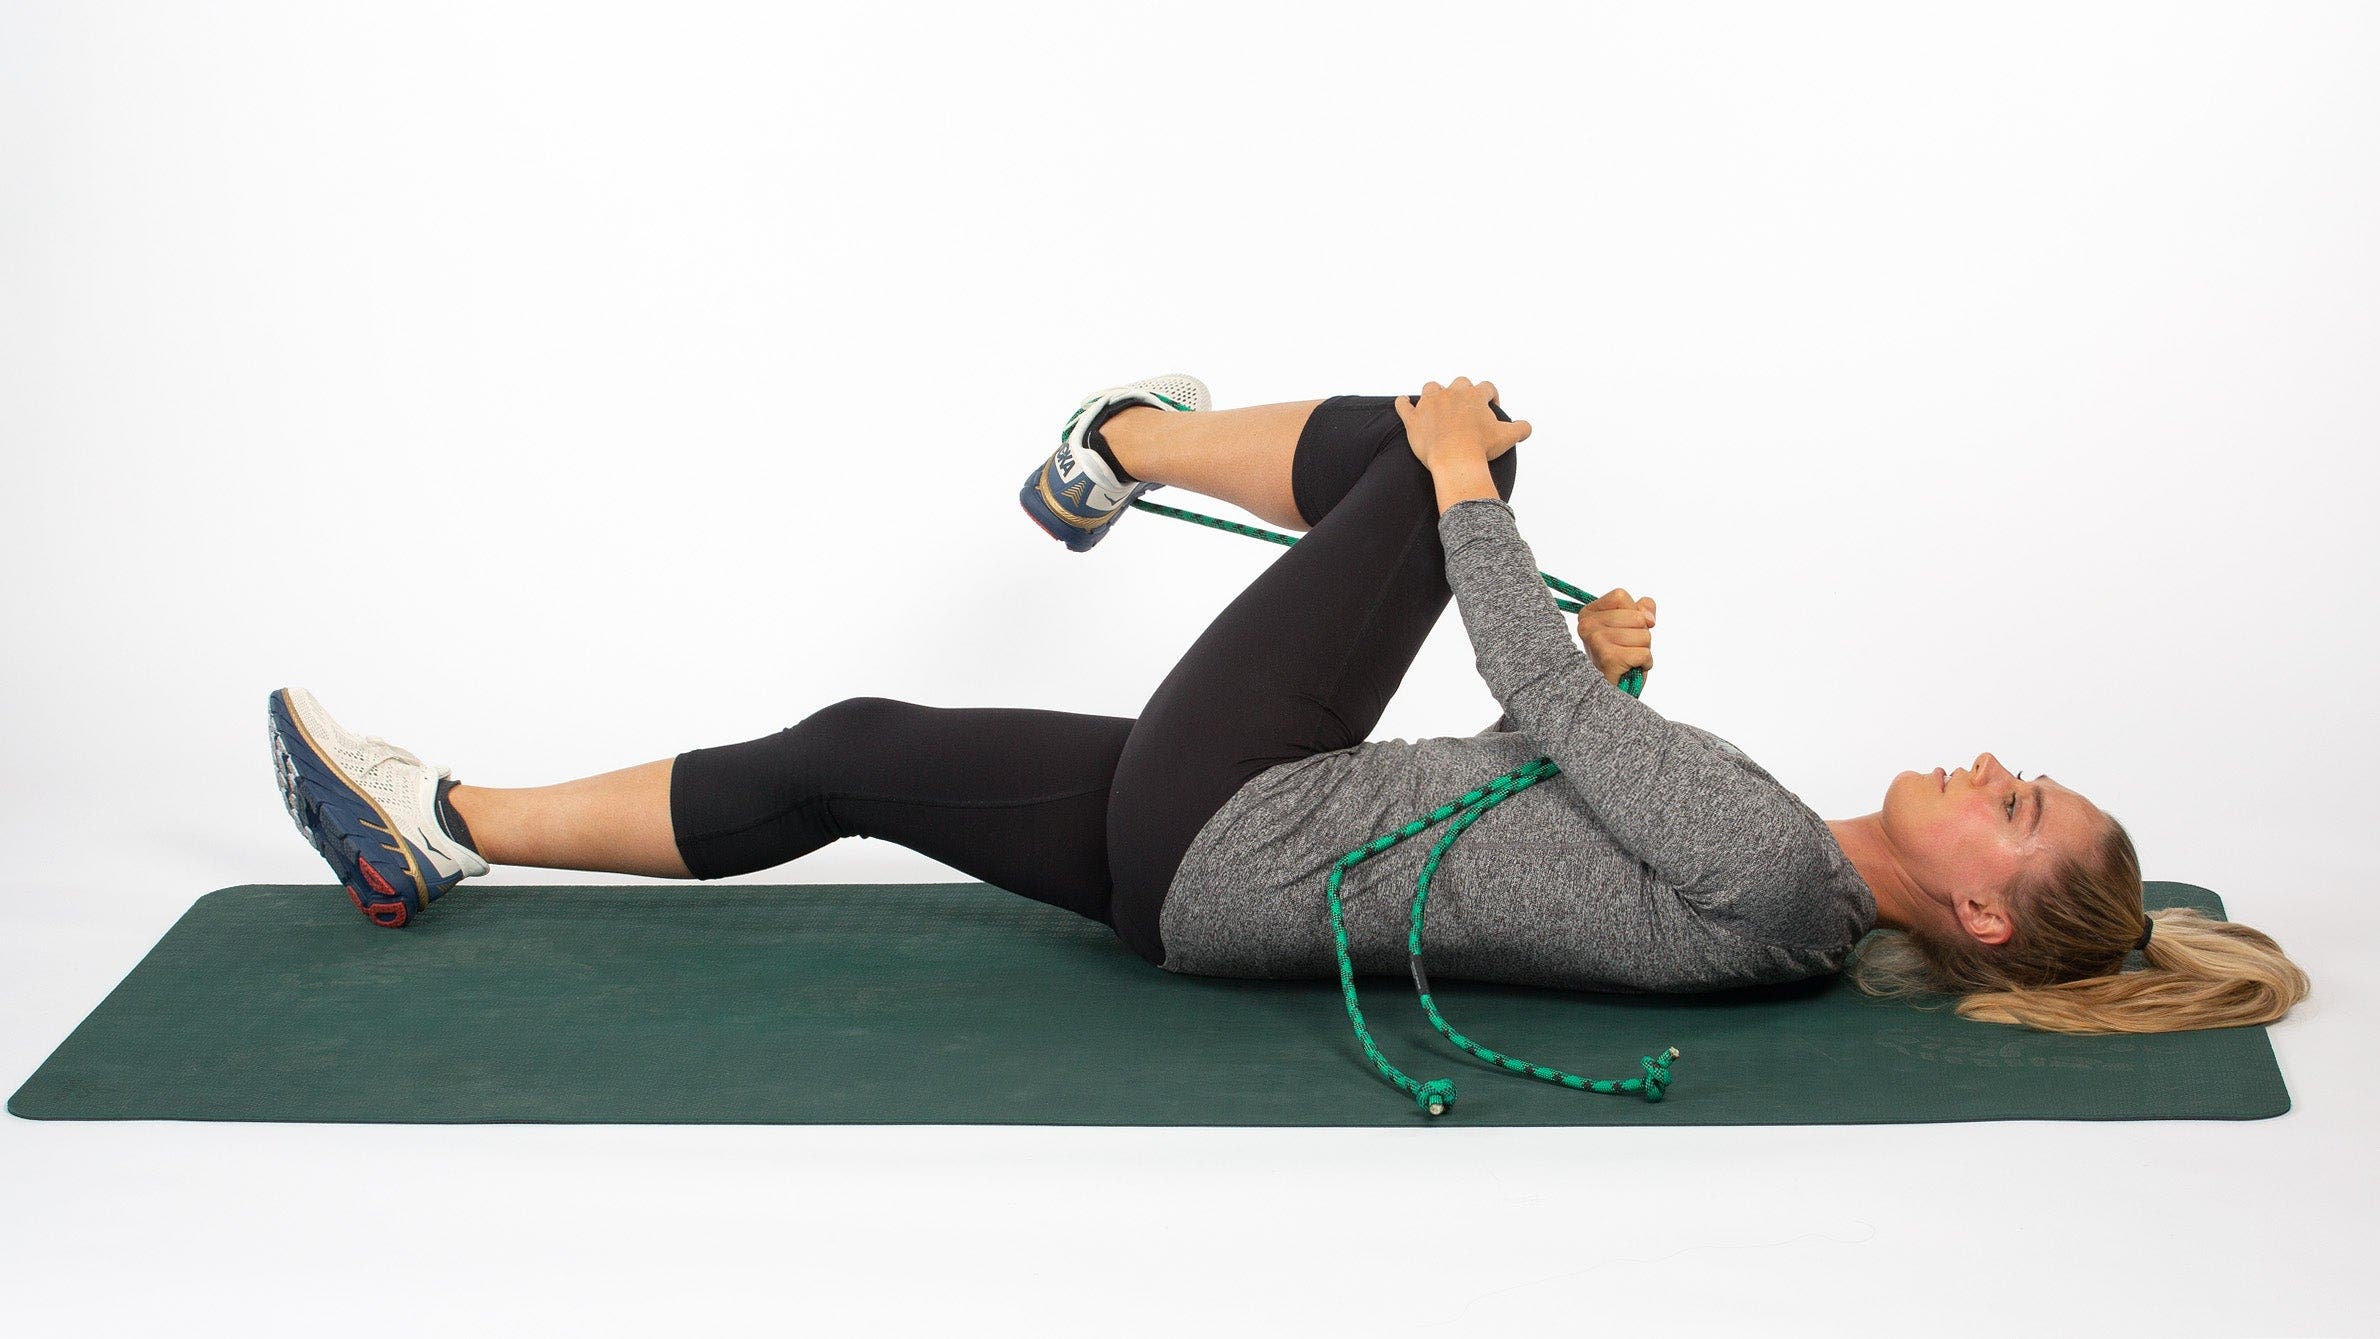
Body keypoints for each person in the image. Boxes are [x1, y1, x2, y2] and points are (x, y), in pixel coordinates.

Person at [267, 375, 2308, 1036]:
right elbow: (1545, 787)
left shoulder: (1778, 864)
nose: (1987, 770)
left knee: (1460, 431)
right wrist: (1620, 692)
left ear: (1971, 916)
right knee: (862, 748)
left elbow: (1512, 682)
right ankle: (447, 816)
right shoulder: (1768, 890)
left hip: (1241, 824)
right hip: (1219, 875)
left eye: (2014, 811)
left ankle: (1121, 437)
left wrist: (1459, 491)